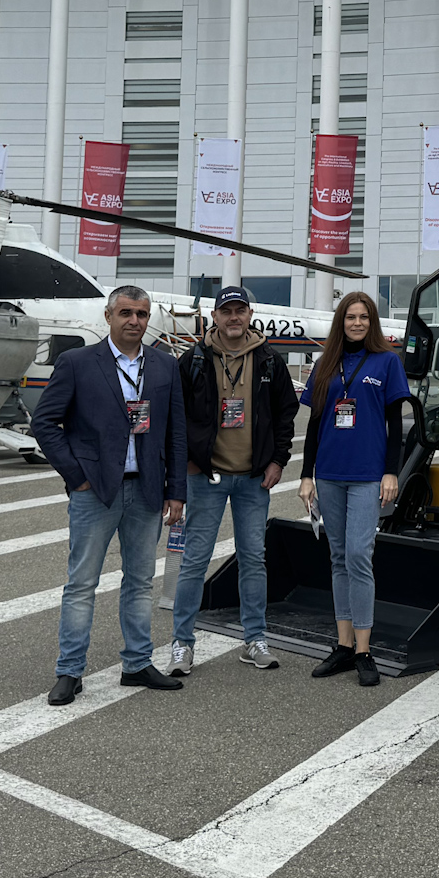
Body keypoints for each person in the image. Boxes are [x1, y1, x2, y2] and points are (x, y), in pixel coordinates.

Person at [31, 285, 187, 706]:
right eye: (126, 313)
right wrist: (76, 475)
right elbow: (44, 423)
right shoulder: (77, 363)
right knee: (82, 583)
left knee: (140, 582)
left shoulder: (164, 366)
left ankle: (137, 664)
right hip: (95, 492)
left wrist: (176, 490)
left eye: (141, 314)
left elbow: (175, 432)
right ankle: (69, 671)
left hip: (148, 490)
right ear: (109, 316)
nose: (134, 321)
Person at [169, 284, 300, 675]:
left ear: (249, 316)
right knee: (194, 561)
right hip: (206, 476)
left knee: (253, 560)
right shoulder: (194, 359)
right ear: (214, 317)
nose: (233, 318)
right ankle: (181, 643)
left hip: (252, 479)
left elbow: (286, 414)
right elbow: (176, 415)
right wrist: (188, 462)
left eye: (240, 311)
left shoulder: (269, 360)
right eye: (226, 311)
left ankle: (254, 639)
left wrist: (277, 460)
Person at [296, 291, 411, 688]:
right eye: (350, 317)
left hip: (367, 475)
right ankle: (344, 646)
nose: (357, 323)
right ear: (341, 322)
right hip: (329, 474)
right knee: (339, 557)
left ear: (371, 321)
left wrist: (391, 472)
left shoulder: (387, 362)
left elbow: (395, 424)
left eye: (363, 317)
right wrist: (306, 475)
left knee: (360, 556)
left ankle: (364, 649)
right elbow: (314, 424)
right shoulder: (325, 364)